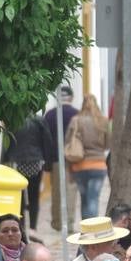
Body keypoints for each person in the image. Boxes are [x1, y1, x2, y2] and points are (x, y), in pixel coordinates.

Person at [2, 112, 56, 231]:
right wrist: (48, 163)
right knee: (34, 196)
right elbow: (47, 141)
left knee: (19, 196)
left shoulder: (12, 121)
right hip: (35, 162)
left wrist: (3, 161)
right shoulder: (39, 120)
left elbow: (6, 143)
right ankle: (33, 227)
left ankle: (20, 225)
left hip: (17, 161)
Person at [44, 85, 79, 232]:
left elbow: (45, 139)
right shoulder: (77, 114)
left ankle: (57, 222)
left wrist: (47, 162)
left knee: (56, 191)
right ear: (71, 97)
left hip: (55, 159)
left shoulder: (50, 115)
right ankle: (69, 223)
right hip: (73, 158)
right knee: (70, 191)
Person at [70, 93, 111, 220]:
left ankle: (85, 229)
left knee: (84, 199)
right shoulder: (103, 121)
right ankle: (93, 229)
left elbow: (68, 141)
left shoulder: (76, 120)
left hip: (80, 166)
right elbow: (108, 144)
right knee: (93, 198)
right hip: (98, 165)